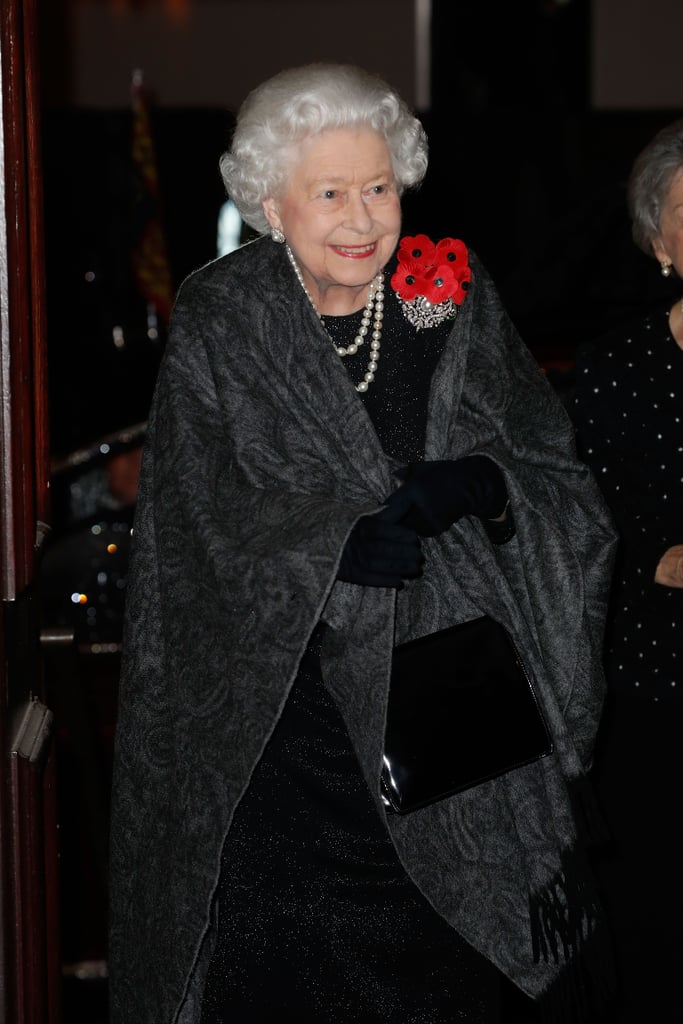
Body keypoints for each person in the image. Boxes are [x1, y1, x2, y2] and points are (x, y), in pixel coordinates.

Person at [108, 63, 617, 1024]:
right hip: (286, 733)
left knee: (452, 975)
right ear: (271, 202)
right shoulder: (225, 314)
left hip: (448, 714)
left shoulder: (447, 294)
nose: (360, 217)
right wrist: (328, 544)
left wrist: (483, 483)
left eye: (377, 187)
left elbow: (547, 466)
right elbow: (191, 519)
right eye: (329, 192)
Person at [570, 118, 683, 1023]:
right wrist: (656, 559)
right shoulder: (617, 373)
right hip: (655, 696)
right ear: (659, 243)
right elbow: (581, 539)